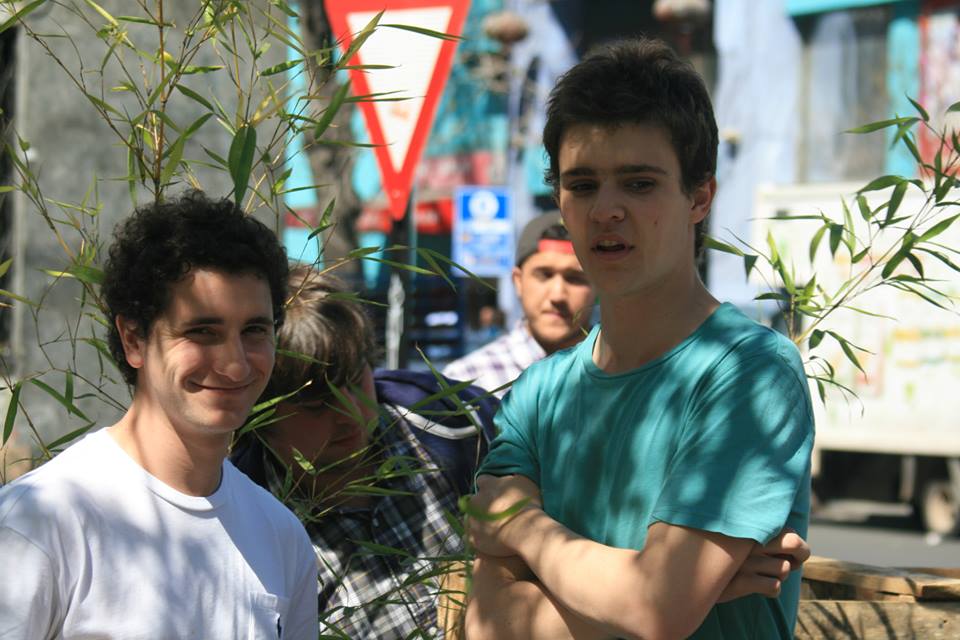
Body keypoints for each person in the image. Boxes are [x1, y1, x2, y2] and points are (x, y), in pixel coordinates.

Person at [465, 38, 814, 640]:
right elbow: (485, 622)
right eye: (583, 184)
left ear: (699, 196)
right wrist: (648, 598)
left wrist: (521, 525)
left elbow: (653, 608)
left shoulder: (748, 373)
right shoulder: (538, 392)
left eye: (639, 183)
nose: (606, 209)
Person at [0, 192, 318, 639]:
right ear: (134, 339)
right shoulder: (42, 519)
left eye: (254, 331)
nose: (235, 365)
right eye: (202, 332)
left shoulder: (281, 537)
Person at [230, 264, 500, 639]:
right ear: (259, 415)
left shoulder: (453, 425)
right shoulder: (244, 534)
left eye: (357, 380)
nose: (350, 414)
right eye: (318, 403)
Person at [443, 210, 595, 397]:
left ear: (599, 286)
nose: (557, 295)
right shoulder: (466, 382)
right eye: (544, 275)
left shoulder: (623, 375)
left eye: (575, 278)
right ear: (518, 281)